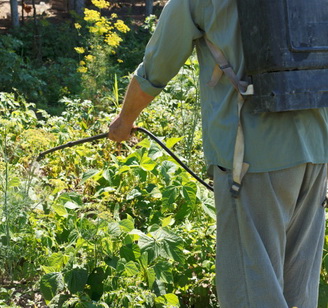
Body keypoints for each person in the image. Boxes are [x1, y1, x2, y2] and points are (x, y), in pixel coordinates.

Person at [108, 0, 328, 307]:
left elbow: (156, 67)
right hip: (317, 151)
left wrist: (124, 121)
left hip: (252, 157)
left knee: (252, 292)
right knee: (299, 292)